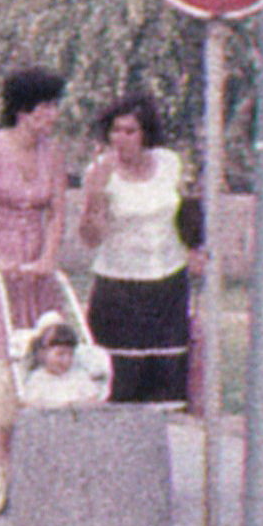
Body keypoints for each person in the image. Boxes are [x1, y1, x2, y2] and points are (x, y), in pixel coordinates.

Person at [0, 68, 74, 514]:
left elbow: (59, 210)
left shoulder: (53, 153)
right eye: (45, 106)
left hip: (35, 265)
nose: (52, 115)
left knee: (38, 357)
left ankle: (27, 454)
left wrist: (49, 256)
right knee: (3, 363)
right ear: (25, 110)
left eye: (54, 106)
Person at [75, 91, 199, 404]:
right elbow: (91, 238)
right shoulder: (99, 173)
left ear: (145, 134)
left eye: (130, 131)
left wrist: (197, 248)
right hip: (120, 286)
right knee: (120, 386)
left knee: (166, 386)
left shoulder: (170, 163)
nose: (121, 139)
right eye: (115, 131)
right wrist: (94, 194)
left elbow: (186, 210)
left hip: (167, 280)